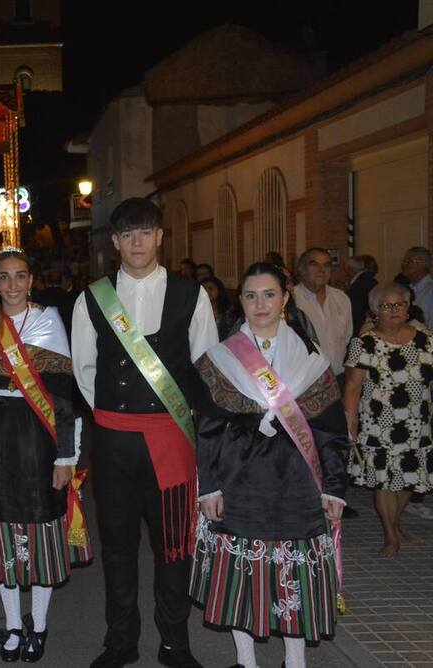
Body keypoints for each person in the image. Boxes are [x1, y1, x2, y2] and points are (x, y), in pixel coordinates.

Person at [71, 198, 217, 668]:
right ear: (115, 242)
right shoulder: (92, 297)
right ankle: (121, 642)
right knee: (117, 546)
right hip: (113, 439)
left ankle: (175, 643)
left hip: (172, 439)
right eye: (127, 234)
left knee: (173, 547)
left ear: (160, 237)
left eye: (145, 232)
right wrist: (113, 416)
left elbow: (206, 367)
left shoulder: (191, 294)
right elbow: (84, 368)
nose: (137, 242)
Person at [190, 262, 348, 668]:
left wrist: (333, 487)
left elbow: (331, 430)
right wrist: (208, 487)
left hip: (298, 484)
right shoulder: (219, 360)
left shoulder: (312, 360)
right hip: (238, 482)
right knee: (243, 577)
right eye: (250, 295)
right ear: (240, 301)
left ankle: (295, 661)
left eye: (269, 294)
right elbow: (206, 430)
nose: (260, 304)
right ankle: (247, 660)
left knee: (292, 576)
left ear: (285, 299)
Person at [0, 248, 91, 663]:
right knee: (0, 528)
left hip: (38, 435)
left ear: (31, 279)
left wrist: (65, 455)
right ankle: (13, 626)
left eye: (21, 275)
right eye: (4, 277)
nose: (13, 285)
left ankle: (38, 626)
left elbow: (62, 396)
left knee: (39, 531)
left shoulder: (47, 321)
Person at [344, 281, 433, 555]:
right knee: (384, 480)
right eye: (386, 306)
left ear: (408, 308)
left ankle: (395, 524)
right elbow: (352, 387)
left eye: (400, 304)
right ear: (375, 312)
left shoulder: (426, 340)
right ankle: (391, 535)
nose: (394, 310)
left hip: (418, 422)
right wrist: (350, 425)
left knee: (409, 479)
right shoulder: (364, 343)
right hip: (378, 424)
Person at [293, 248, 353, 386]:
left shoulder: (341, 298)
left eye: (326, 265)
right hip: (305, 382)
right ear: (301, 270)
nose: (322, 270)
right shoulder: (291, 300)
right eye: (314, 264)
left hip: (338, 379)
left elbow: (347, 336)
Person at [345, 255, 379, 335]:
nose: (345, 275)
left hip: (361, 329)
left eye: (346, 271)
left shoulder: (357, 286)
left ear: (350, 269)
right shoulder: (373, 282)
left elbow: (354, 313)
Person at [400, 247, 433, 329]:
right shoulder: (406, 289)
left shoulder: (430, 290)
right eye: (403, 261)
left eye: (408, 261)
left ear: (422, 264)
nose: (403, 265)